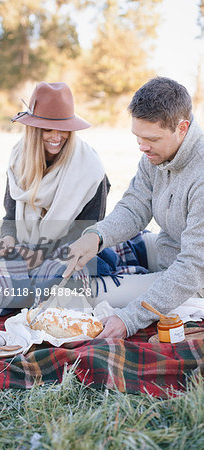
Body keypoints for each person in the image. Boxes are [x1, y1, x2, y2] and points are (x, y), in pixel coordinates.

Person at [63, 76, 204, 338]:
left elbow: (193, 267)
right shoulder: (155, 155)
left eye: (151, 138)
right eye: (137, 136)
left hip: (193, 281)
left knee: (89, 292)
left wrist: (129, 318)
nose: (142, 147)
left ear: (182, 128)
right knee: (102, 248)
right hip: (168, 249)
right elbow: (135, 205)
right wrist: (97, 236)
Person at [0, 81, 110, 316]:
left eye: (64, 129)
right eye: (48, 129)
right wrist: (7, 238)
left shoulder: (90, 170)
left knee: (56, 279)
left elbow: (87, 231)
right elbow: (10, 217)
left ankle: (26, 295)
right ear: (34, 129)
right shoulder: (19, 161)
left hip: (69, 250)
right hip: (26, 246)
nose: (57, 137)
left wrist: (40, 256)